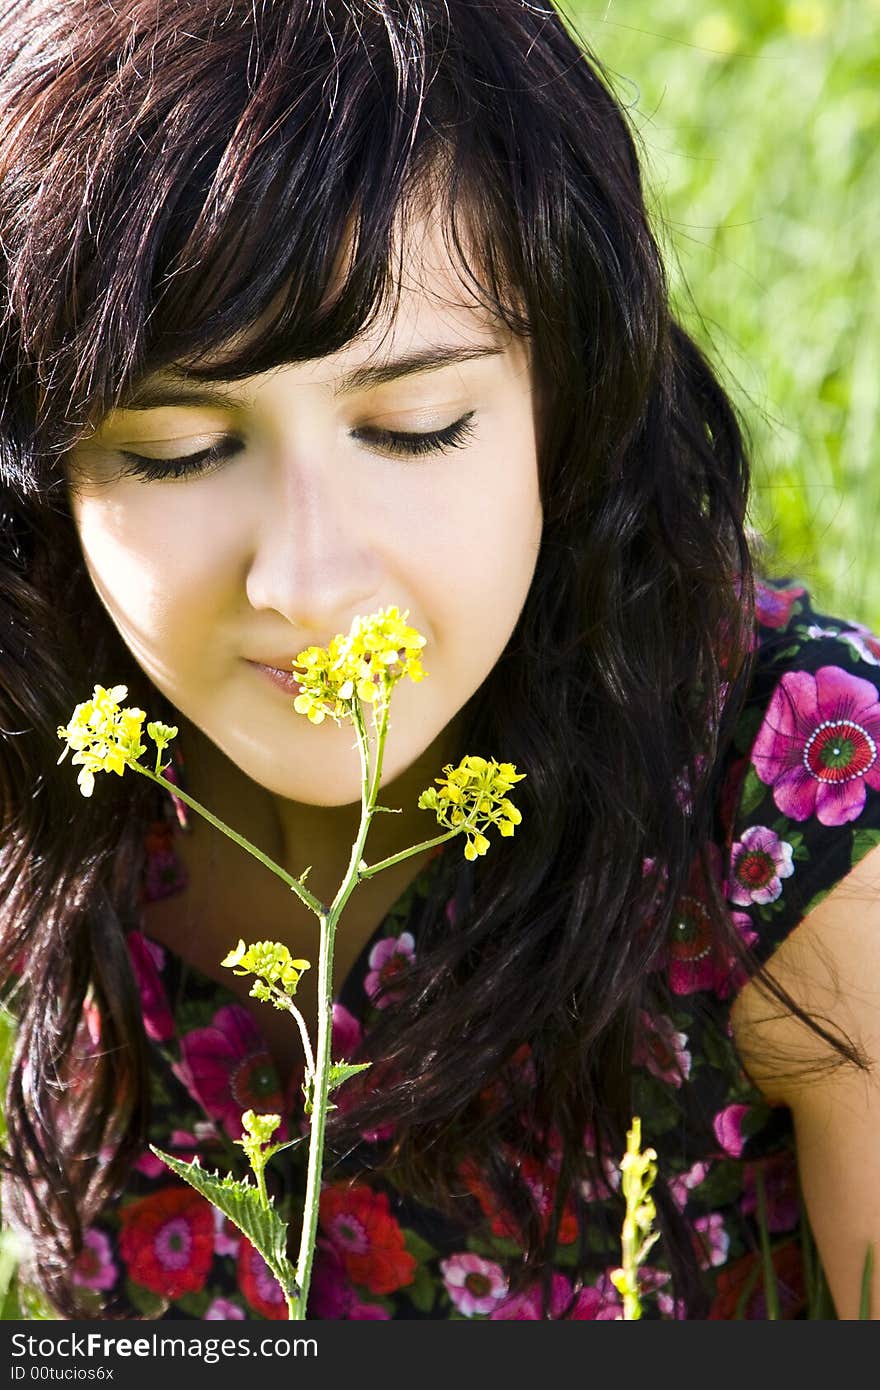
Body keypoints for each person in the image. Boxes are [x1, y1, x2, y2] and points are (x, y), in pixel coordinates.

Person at [0, 0, 878, 1323]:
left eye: (412, 428)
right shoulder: (41, 744)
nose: (304, 583)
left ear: (567, 396)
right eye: (175, 449)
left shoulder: (797, 804)